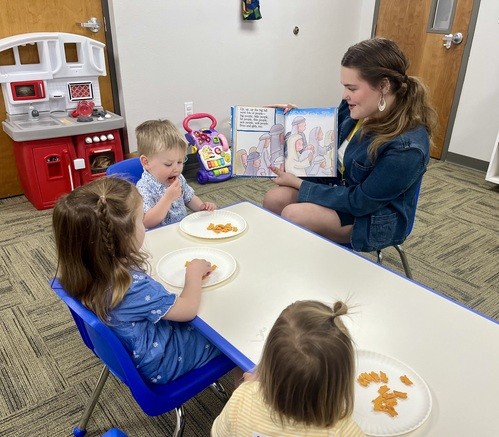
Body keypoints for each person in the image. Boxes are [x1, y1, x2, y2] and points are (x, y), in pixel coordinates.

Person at [263, 38, 438, 252]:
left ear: (384, 86)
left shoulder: (407, 147)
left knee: (294, 215)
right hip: (342, 190)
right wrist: (294, 118)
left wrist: (299, 183)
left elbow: (360, 202)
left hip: (372, 214)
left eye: (351, 88)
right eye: (344, 86)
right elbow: (327, 141)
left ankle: (312, 263)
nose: (345, 95)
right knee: (274, 199)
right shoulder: (356, 107)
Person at [52, 177, 222, 384]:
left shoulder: (83, 270)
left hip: (130, 349)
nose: (145, 226)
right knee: (229, 326)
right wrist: (193, 274)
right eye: (141, 220)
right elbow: (188, 310)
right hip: (164, 361)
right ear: (124, 237)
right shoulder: (132, 287)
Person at [211, 300, 365, 436]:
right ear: (341, 381)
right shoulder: (343, 430)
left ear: (268, 362)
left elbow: (217, 433)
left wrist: (250, 388)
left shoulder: (241, 398)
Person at [135, 119, 216, 229]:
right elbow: (146, 222)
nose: (176, 169)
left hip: (182, 228)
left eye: (180, 162)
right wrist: (167, 198)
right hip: (160, 235)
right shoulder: (144, 188)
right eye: (168, 164)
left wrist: (201, 207)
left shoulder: (178, 178)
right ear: (146, 162)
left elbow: (189, 198)